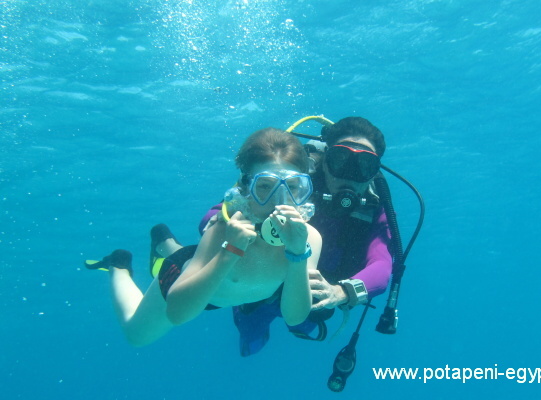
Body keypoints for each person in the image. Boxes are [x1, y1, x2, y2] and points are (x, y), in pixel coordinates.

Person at [150, 117, 393, 356]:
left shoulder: (372, 207)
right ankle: (170, 250)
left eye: (365, 166)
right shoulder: (291, 178)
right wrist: (229, 232)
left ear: (375, 173)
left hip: (308, 277)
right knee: (250, 335)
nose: (350, 175)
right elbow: (217, 213)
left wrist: (341, 292)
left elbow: (383, 265)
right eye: (341, 159)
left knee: (307, 316)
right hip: (263, 270)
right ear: (326, 158)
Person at [85, 128, 322, 346]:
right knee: (136, 336)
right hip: (197, 289)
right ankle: (118, 265)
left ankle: (164, 241)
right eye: (264, 187)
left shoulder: (307, 239)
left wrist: (298, 253)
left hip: (239, 291)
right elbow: (177, 314)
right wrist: (231, 251)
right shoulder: (225, 230)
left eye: (292, 187)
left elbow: (294, 316)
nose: (279, 201)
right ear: (245, 187)